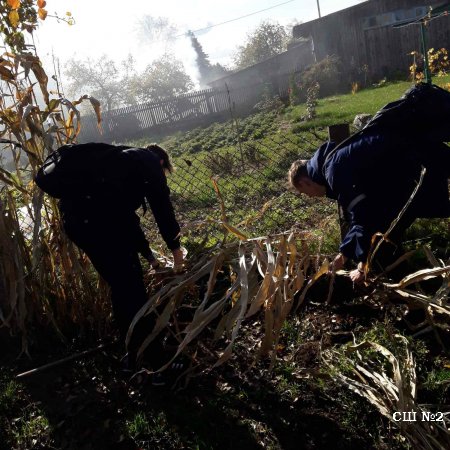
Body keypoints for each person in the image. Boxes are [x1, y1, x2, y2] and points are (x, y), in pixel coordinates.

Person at [58, 144, 184, 367]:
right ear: (162, 163)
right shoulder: (149, 163)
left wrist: (151, 258)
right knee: (133, 291)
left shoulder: (117, 165)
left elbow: (126, 220)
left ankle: (133, 353)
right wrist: (176, 251)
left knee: (121, 287)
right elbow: (162, 209)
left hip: (78, 225)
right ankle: (155, 362)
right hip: (101, 226)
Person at [288, 132, 450, 284]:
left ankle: (407, 291)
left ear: (304, 182)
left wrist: (360, 265)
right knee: (388, 232)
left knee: (385, 235)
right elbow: (360, 215)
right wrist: (345, 254)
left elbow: (364, 217)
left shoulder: (335, 171)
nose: (309, 196)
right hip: (415, 167)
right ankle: (405, 285)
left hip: (421, 165)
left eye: (304, 192)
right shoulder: (333, 165)